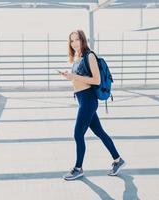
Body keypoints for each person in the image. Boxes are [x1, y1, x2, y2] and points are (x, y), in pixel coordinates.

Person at [59, 30, 126, 181]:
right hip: (83, 100)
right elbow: (80, 79)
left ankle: (78, 168)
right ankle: (118, 160)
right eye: (72, 41)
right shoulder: (77, 58)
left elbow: (96, 80)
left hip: (89, 101)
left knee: (77, 134)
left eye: (77, 40)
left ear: (83, 40)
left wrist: (73, 76)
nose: (74, 43)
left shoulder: (90, 56)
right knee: (100, 132)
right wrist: (68, 76)